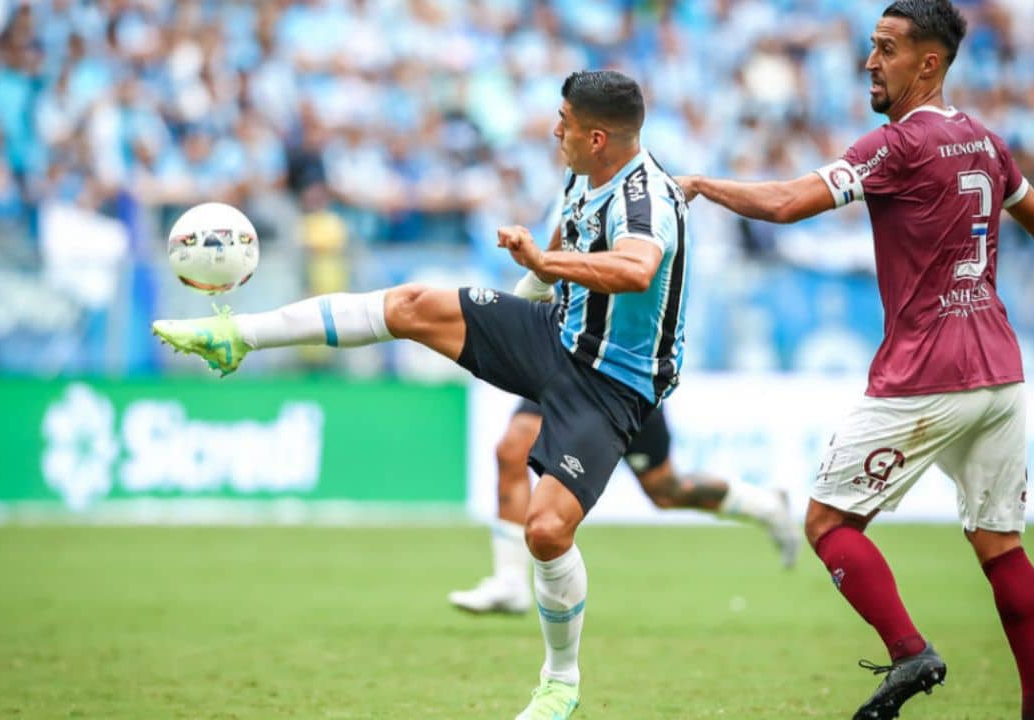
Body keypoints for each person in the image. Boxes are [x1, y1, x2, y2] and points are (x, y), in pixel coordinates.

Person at [153, 70, 689, 720]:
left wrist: (543, 267)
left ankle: (561, 681)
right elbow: (556, 260)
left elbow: (635, 269)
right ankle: (238, 336)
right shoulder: (584, 176)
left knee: (546, 533)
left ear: (597, 136)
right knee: (413, 303)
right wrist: (506, 328)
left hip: (612, 385)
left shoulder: (646, 198)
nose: (554, 131)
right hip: (554, 337)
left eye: (565, 123)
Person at [675, 2, 1034, 719]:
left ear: (929, 63)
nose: (870, 60)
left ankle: (909, 651)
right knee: (1000, 546)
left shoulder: (895, 145)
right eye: (871, 46)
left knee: (828, 525)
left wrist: (705, 185)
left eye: (887, 48)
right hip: (1000, 369)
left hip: (927, 373)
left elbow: (784, 204)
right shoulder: (985, 141)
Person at [450, 398, 799, 615]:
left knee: (665, 490)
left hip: (622, 373)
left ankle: (766, 505)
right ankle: (510, 581)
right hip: (559, 358)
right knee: (511, 448)